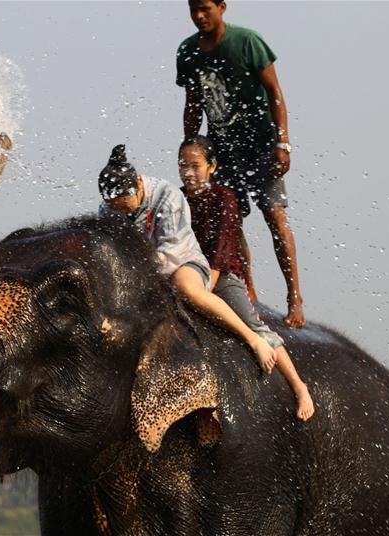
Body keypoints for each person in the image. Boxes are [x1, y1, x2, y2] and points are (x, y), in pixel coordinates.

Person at [177, 0, 307, 328]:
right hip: (222, 149)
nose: (199, 16)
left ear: (222, 7)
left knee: (275, 215)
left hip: (261, 145)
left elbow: (275, 92)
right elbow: (192, 103)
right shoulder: (188, 52)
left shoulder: (247, 42)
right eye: (193, 9)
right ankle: (249, 291)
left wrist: (283, 143)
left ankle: (295, 298)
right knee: (230, 220)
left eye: (205, 8)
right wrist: (191, 152)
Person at [97, 144, 279, 378]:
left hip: (182, 262)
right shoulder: (107, 209)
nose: (121, 212)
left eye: (124, 205)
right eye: (115, 207)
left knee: (187, 289)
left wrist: (137, 275)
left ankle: (253, 339)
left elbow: (171, 249)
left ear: (139, 184)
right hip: (140, 271)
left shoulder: (167, 195)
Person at [178, 135, 314, 420]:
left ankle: (299, 386)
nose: (188, 173)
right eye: (183, 166)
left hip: (221, 277)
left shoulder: (224, 199)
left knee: (255, 325)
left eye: (195, 166)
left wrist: (203, 293)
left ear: (212, 167)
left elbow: (219, 255)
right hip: (186, 277)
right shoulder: (176, 200)